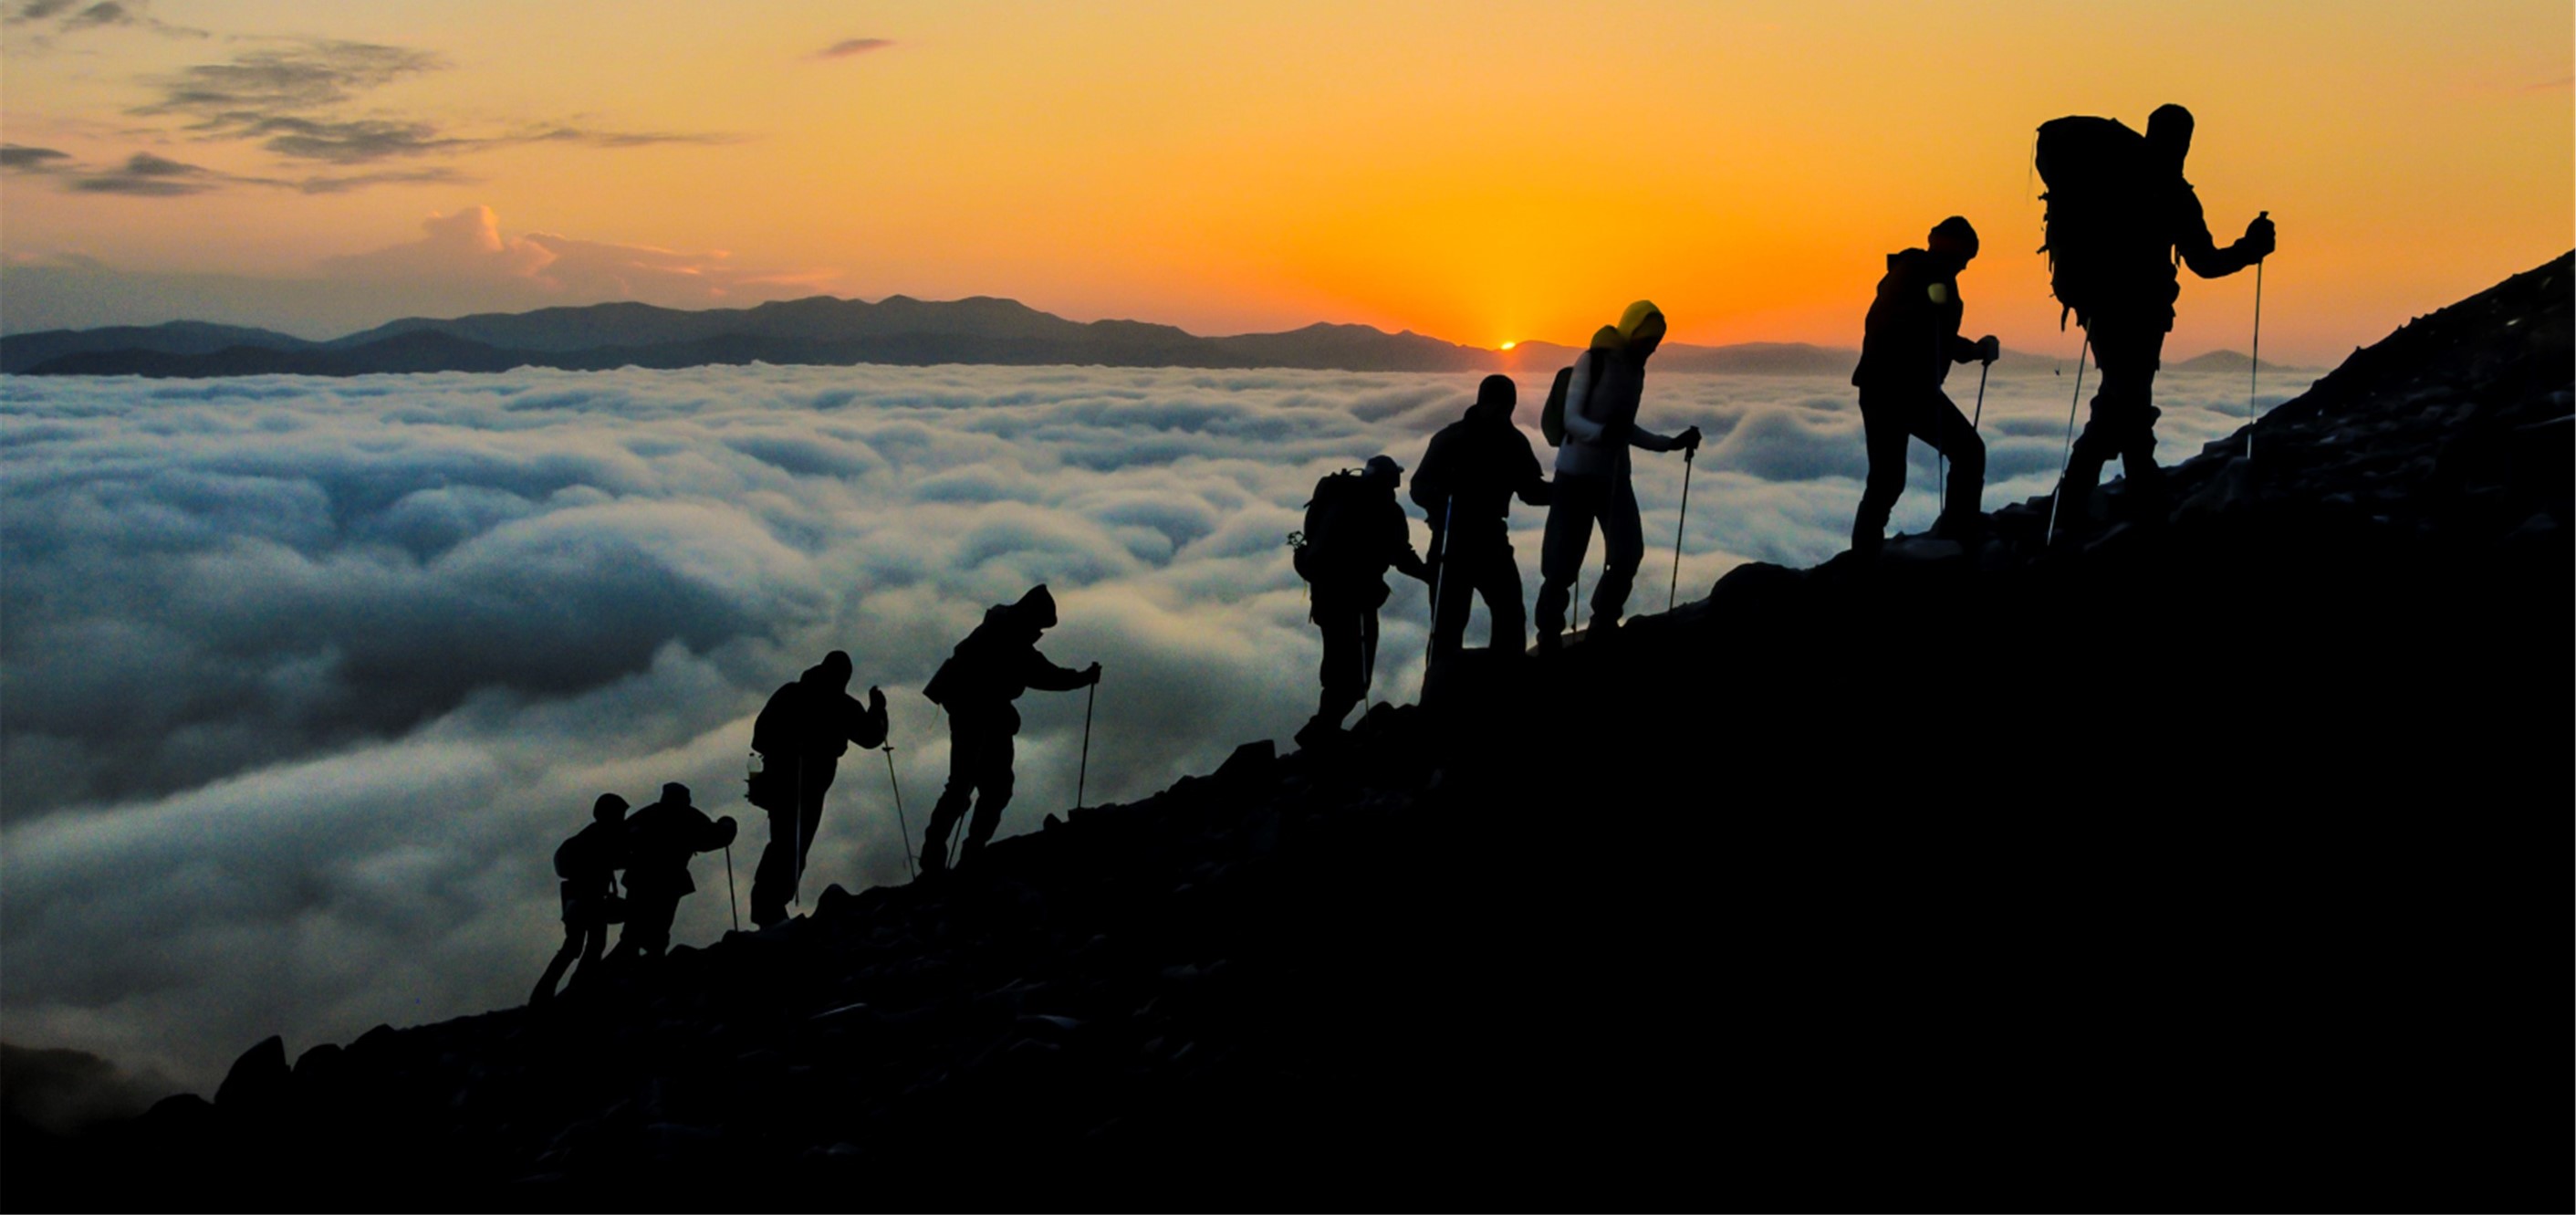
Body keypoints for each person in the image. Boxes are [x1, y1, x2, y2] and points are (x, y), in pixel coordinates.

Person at [2056, 103, 2275, 527]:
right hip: (2139, 315)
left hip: (2104, 312)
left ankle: (2085, 505)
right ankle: (2141, 507)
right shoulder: (2174, 193)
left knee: (2118, 403)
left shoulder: (2112, 179)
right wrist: (2251, 249)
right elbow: (2206, 262)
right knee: (2130, 404)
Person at [1534, 301, 1701, 650]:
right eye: (1648, 341)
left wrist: (1670, 443)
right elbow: (1572, 420)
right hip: (1576, 476)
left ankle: (1602, 621)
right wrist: (1603, 434)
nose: (1651, 349)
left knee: (1627, 554)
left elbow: (1624, 430)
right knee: (1561, 566)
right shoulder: (1591, 362)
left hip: (1612, 477)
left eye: (1655, 343)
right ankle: (1550, 634)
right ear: (1632, 333)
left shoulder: (1634, 372)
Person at [918, 585, 1100, 875]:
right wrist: (1081, 678)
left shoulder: (1001, 629)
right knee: (981, 787)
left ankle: (942, 858)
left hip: (977, 712)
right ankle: (962, 855)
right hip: (980, 713)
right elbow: (1040, 672)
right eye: (1040, 623)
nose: (1040, 630)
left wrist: (1078, 678)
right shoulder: (1008, 637)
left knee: (971, 786)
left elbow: (1034, 668)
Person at [1851, 216, 2001, 554]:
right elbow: (1934, 336)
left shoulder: (1909, 273)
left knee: (1886, 480)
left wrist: (1969, 349)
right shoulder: (1931, 278)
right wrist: (1976, 350)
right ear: (1955, 250)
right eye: (1965, 258)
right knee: (1969, 452)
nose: (1965, 266)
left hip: (1881, 387)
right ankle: (1960, 530)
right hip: (1907, 391)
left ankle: (1864, 556)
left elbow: (1929, 335)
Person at [1293, 455, 1433, 747]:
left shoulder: (1339, 498)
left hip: (1326, 597)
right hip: (1353, 600)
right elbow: (1401, 555)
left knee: (1337, 667)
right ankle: (1322, 732)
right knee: (1356, 676)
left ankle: (1323, 729)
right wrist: (1429, 575)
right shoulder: (1383, 510)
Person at [746, 651, 888, 927]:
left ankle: (768, 907)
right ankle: (770, 909)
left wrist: (786, 744)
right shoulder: (842, 704)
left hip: (780, 781)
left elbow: (759, 736)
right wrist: (878, 710)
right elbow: (871, 737)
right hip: (809, 784)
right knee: (794, 844)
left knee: (784, 842)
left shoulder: (790, 693)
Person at [1413, 374, 1551, 656]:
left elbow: (1419, 488)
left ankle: (1448, 689)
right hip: (1469, 541)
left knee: (1461, 623)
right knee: (1497, 616)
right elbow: (1533, 492)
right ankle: (1496, 681)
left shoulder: (1452, 437)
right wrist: (1569, 491)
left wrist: (1566, 490)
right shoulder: (1507, 441)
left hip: (1461, 540)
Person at [604, 782, 735, 963]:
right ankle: (651, 962)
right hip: (671, 881)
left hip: (641, 878)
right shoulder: (690, 817)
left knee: (634, 926)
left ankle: (627, 963)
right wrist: (727, 825)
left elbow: (620, 839)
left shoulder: (648, 814)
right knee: (659, 927)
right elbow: (714, 838)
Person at [528, 792, 630, 1004]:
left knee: (574, 946)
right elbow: (617, 859)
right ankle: (578, 988)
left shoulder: (589, 835)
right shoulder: (602, 836)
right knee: (592, 944)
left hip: (575, 898)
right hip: (590, 899)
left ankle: (546, 992)